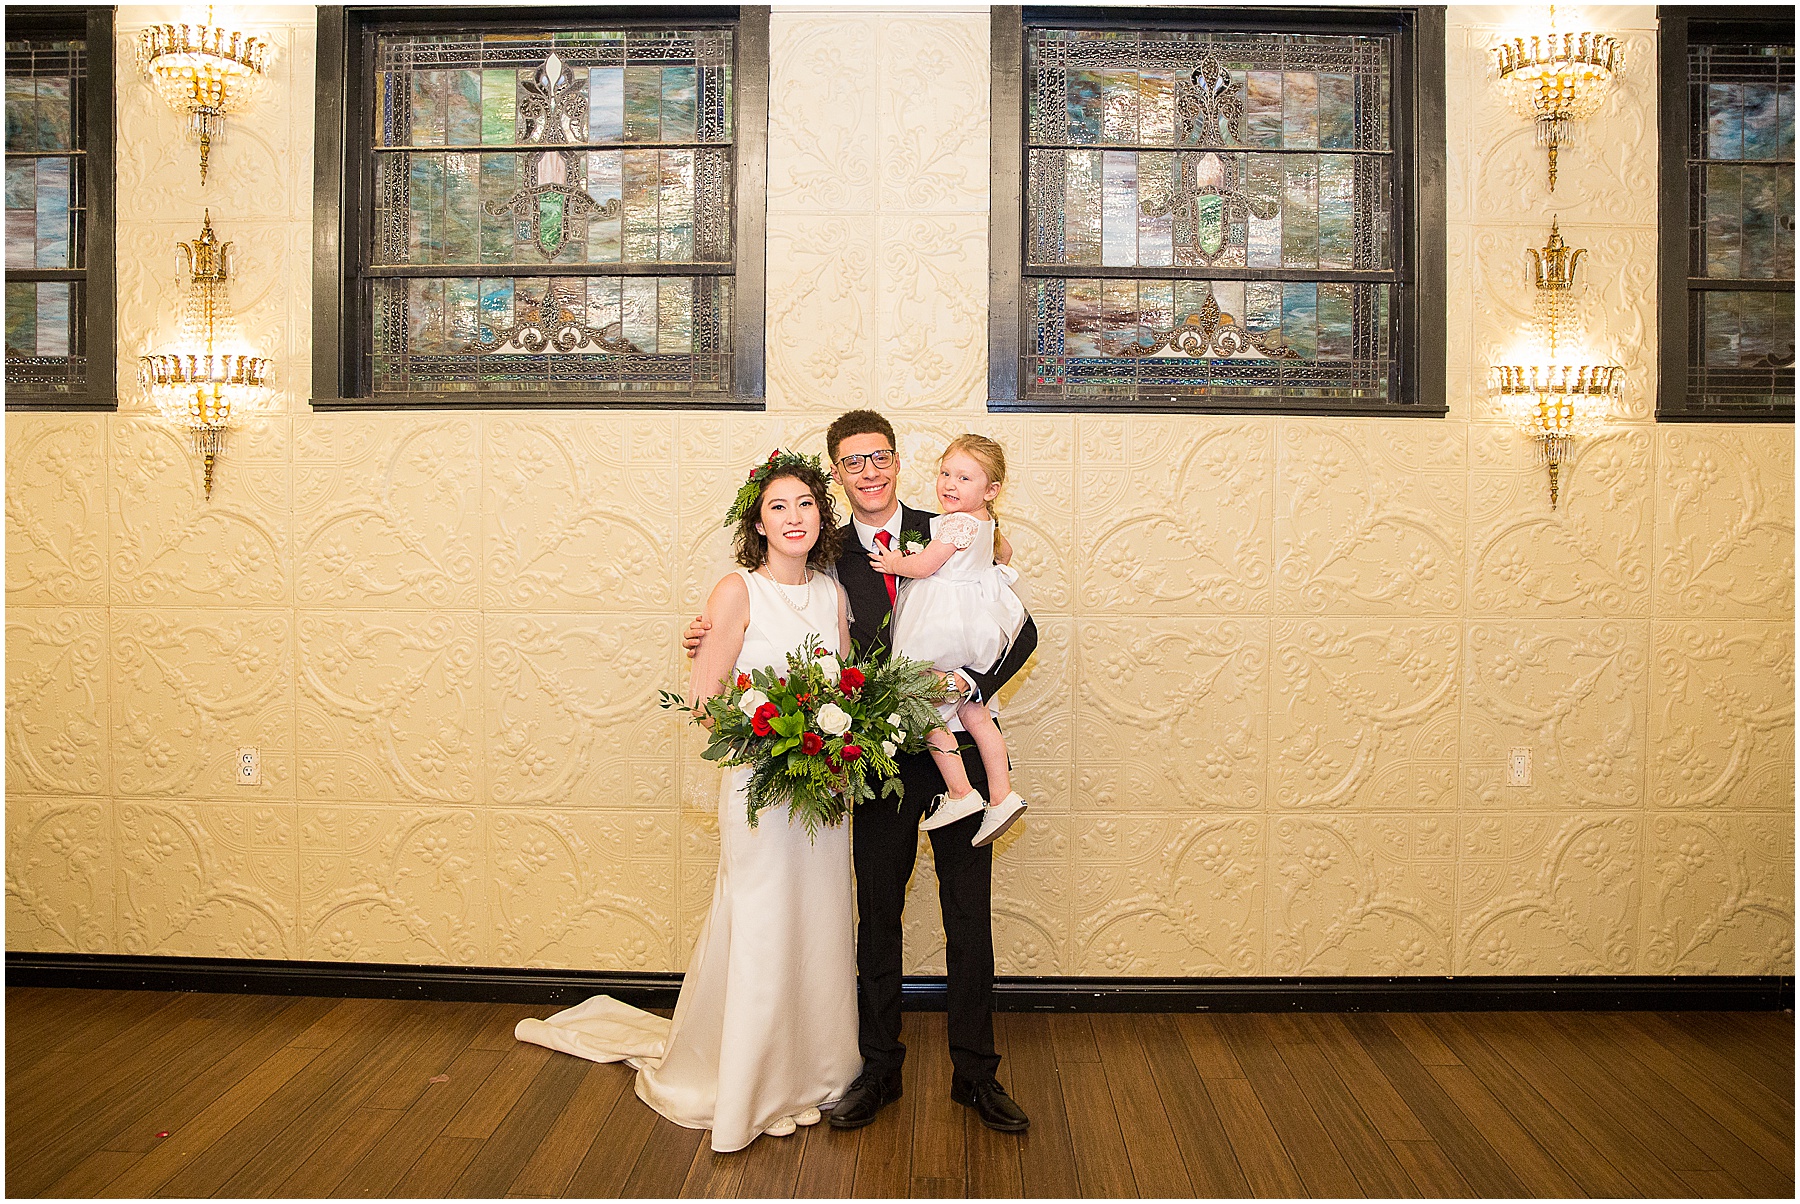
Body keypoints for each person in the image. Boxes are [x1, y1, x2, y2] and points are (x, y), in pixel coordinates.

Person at [685, 410, 1036, 1134]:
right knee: (876, 913)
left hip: (960, 749)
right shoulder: (826, 557)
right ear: (838, 475)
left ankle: (977, 1074)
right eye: (852, 461)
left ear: (899, 463)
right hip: (877, 759)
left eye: (879, 457)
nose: (868, 471)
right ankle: (878, 1070)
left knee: (968, 912)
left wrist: (974, 685)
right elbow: (777, 615)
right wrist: (709, 633)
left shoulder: (955, 526)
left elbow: (1020, 627)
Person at [517, 451, 860, 1153]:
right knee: (761, 921)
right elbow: (707, 702)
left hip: (823, 789)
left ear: (821, 515)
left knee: (819, 919)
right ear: (758, 525)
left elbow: (847, 686)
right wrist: (774, 740)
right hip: (761, 786)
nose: (793, 517)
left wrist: (831, 742)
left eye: (805, 504)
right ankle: (750, 1083)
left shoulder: (832, 593)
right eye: (778, 507)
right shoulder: (737, 590)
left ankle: (813, 1071)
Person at [872, 434, 1029, 848]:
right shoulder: (987, 523)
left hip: (941, 625)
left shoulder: (957, 523)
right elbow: (1004, 554)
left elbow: (925, 565)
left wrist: (895, 562)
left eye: (963, 478)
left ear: (991, 490)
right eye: (945, 473)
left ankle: (960, 791)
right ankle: (1002, 794)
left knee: (916, 701)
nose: (949, 484)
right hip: (973, 630)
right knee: (975, 712)